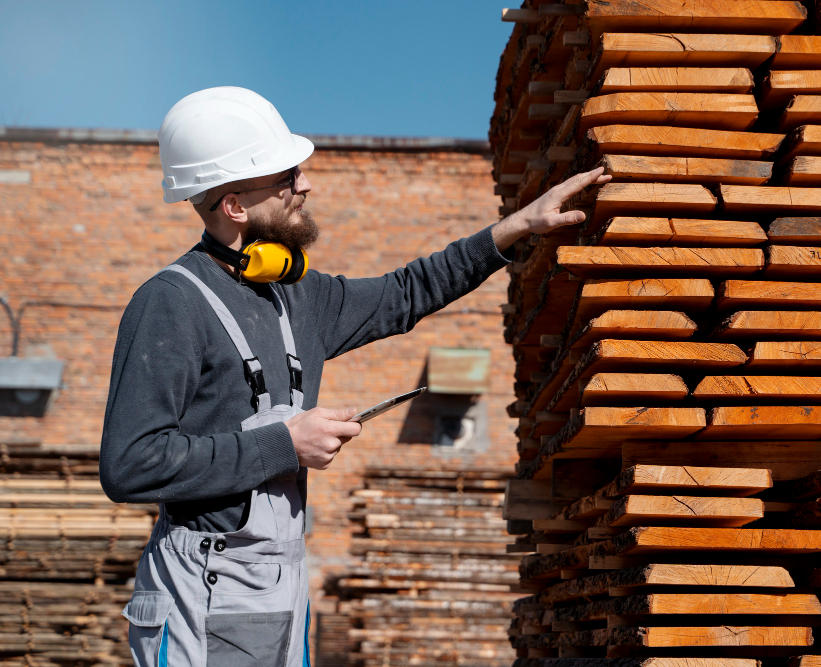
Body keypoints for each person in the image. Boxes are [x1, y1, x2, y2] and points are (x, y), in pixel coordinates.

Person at [99, 86, 610, 667]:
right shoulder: (171, 303)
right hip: (204, 589)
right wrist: (285, 444)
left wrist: (514, 228)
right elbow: (130, 463)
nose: (306, 185)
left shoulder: (296, 296)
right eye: (286, 177)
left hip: (282, 583)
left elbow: (407, 292)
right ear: (234, 206)